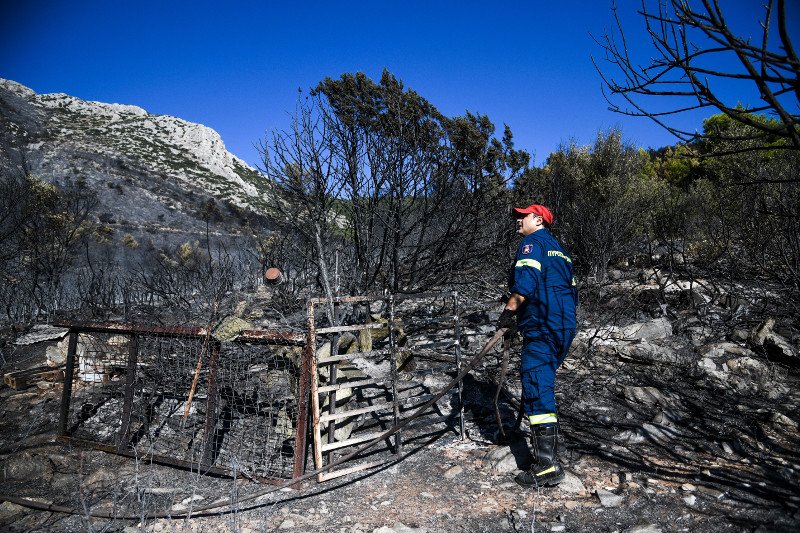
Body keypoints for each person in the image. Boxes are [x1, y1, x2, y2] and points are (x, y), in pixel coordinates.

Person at [497, 203, 577, 487]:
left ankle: (547, 465)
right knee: (543, 384)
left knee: (536, 386)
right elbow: (571, 290)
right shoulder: (561, 251)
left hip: (543, 326)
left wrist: (507, 316)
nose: (518, 220)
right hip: (563, 327)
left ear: (538, 219)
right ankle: (551, 451)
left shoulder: (532, 244)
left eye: (523, 215)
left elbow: (525, 284)